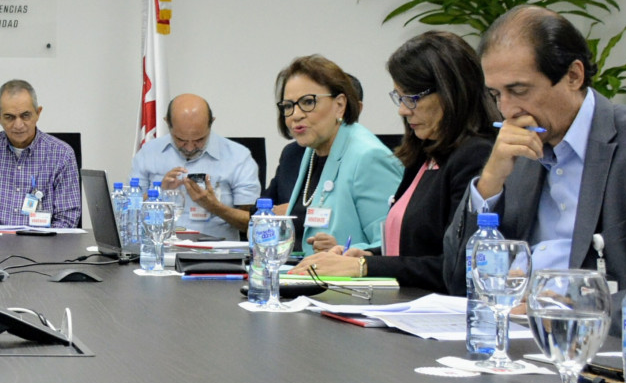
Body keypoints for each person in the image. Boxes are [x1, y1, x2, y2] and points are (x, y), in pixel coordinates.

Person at [442, 6, 626, 295]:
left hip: (608, 322)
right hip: (513, 319)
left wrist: (581, 307)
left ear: (573, 76)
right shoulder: (517, 155)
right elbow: (458, 281)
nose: (506, 110)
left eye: (519, 91)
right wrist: (491, 180)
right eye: (495, 94)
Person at [294, 32, 495, 290]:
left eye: (412, 98)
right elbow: (410, 250)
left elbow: (456, 267)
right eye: (399, 97)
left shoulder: (475, 156)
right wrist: (367, 255)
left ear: (450, 92)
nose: (403, 109)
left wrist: (365, 266)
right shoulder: (424, 153)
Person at [271, 55, 401, 252]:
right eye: (288, 106)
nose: (296, 115)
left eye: (308, 102)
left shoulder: (369, 156)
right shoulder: (312, 150)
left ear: (339, 105)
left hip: (346, 273)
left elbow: (392, 245)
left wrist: (342, 251)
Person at [129, 93, 259, 237]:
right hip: (160, 246)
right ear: (167, 123)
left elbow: (254, 222)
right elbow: (128, 215)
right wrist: (159, 191)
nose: (190, 148)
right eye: (181, 140)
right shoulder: (148, 153)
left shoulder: (238, 156)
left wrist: (215, 207)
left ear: (211, 123)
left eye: (199, 139)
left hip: (216, 249)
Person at [0, 80, 81, 228]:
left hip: (44, 241)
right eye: (9, 117)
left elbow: (67, 218)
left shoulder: (62, 155)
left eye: (25, 115)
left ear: (38, 113)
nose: (18, 125)